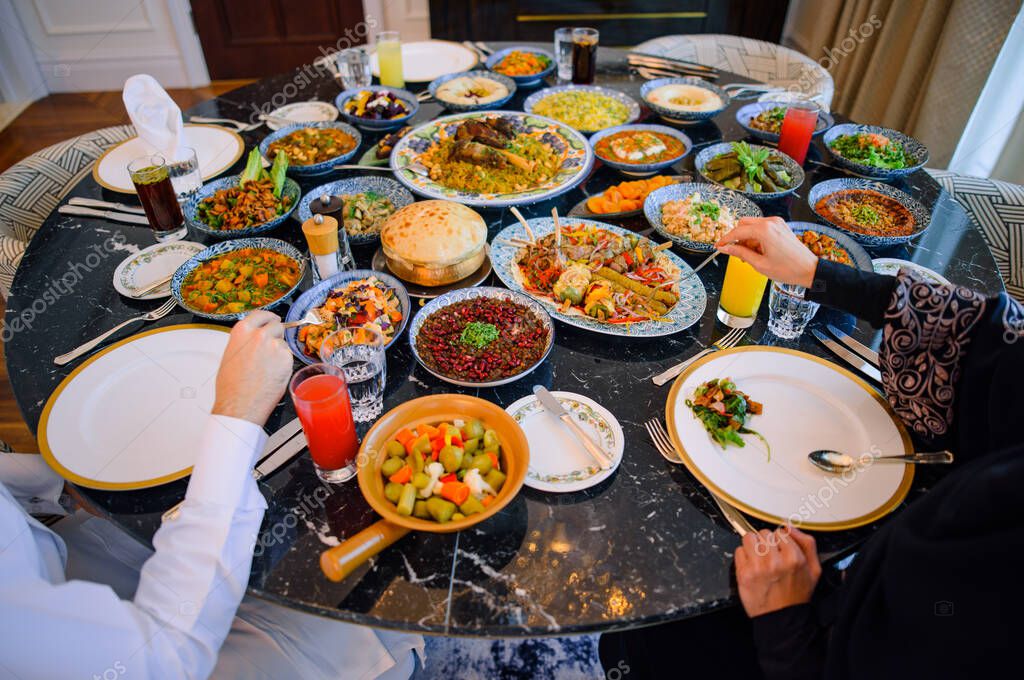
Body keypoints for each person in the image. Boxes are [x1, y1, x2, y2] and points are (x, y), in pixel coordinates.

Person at [600, 216, 1024, 679]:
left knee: (654, 624)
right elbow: (987, 343)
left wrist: (785, 625)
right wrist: (816, 273)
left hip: (821, 641)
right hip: (866, 572)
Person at [0, 312, 424, 679]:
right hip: (168, 649)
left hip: (59, 552)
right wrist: (239, 409)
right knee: (361, 609)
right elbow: (163, 658)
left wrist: (51, 481)